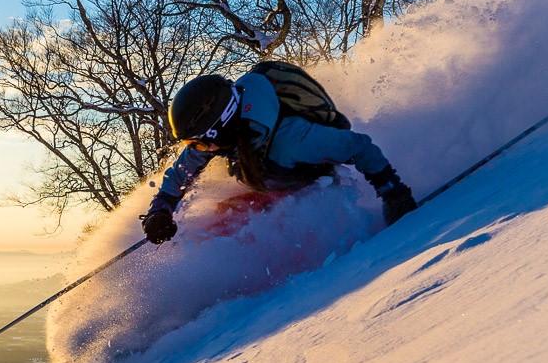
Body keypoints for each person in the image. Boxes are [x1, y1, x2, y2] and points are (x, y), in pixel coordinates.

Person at [140, 70, 418, 244]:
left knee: (250, 223)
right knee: (222, 219)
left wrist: (392, 192)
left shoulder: (290, 139)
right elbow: (182, 171)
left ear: (219, 128)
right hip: (273, 182)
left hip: (314, 182)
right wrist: (161, 208)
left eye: (199, 143)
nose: (197, 150)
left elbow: (358, 146)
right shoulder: (228, 135)